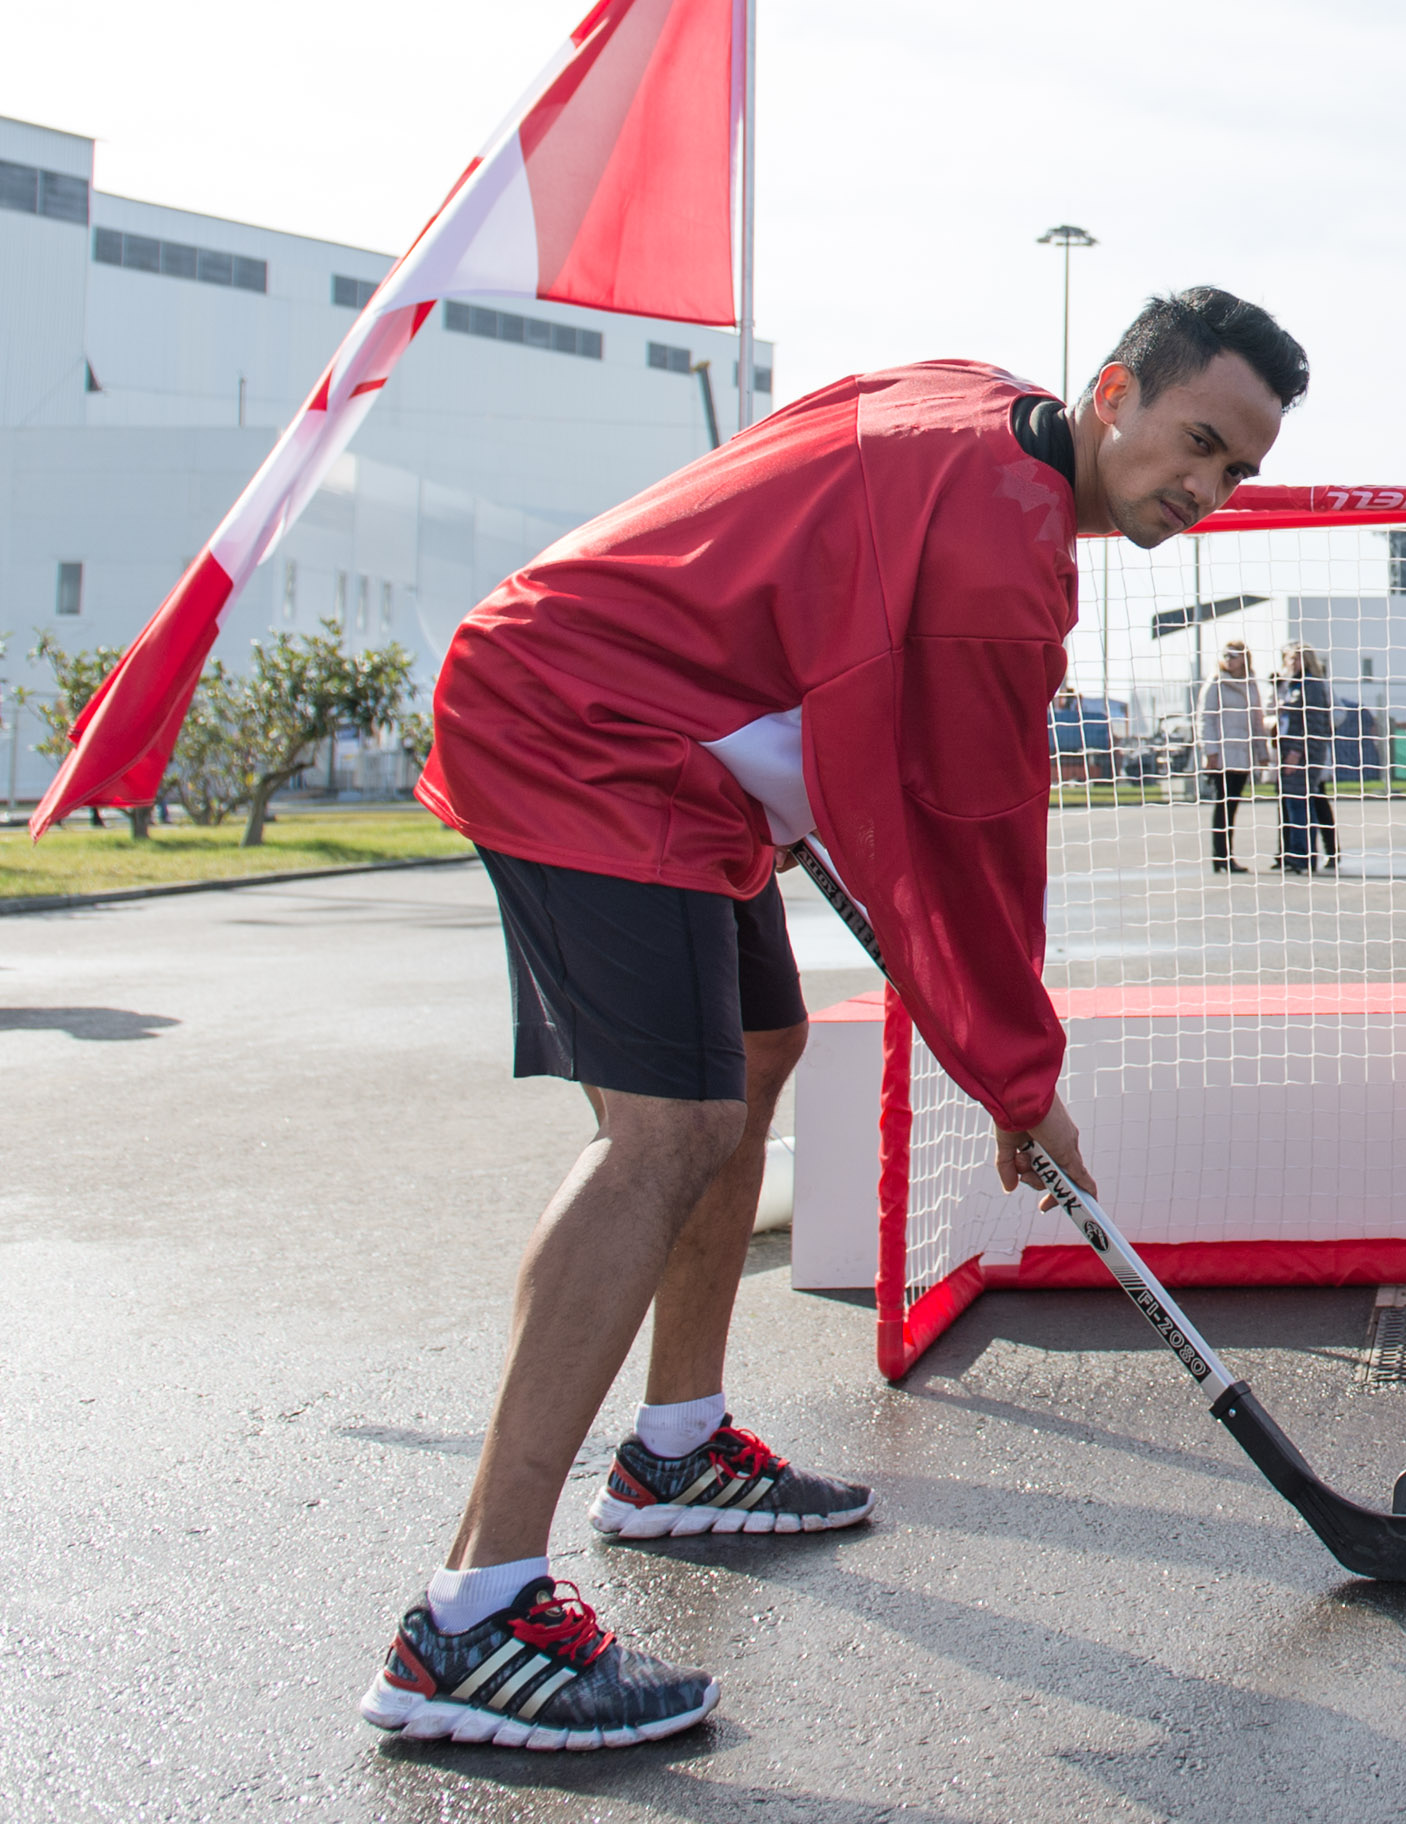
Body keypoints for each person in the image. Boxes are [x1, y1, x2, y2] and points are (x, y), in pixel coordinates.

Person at [363, 288, 1309, 1747]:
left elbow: (826, 544)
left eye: (1238, 471)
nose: (1206, 489)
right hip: (589, 723)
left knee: (757, 1051)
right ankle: (472, 1621)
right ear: (1113, 390)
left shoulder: (970, 397)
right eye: (1197, 443)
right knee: (666, 1133)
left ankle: (674, 1453)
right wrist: (1018, 1078)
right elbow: (967, 847)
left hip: (668, 727)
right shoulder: (1008, 563)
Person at [1196, 639, 1267, 873]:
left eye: (1234, 655)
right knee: (1223, 804)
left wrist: (1262, 751)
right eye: (1226, 655)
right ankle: (1221, 856)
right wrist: (1210, 751)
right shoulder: (1216, 683)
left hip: (1242, 754)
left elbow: (1257, 719)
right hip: (1222, 753)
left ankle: (1228, 855)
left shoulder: (1250, 685)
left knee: (1233, 805)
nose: (1229, 660)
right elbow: (1206, 718)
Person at [1271, 640, 1339, 873]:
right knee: (1293, 801)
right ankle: (1295, 853)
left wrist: (1296, 751)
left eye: (1293, 659)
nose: (1290, 663)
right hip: (1294, 748)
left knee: (1300, 802)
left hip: (1303, 752)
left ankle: (1303, 855)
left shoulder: (1310, 685)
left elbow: (1309, 722)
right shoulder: (1294, 684)